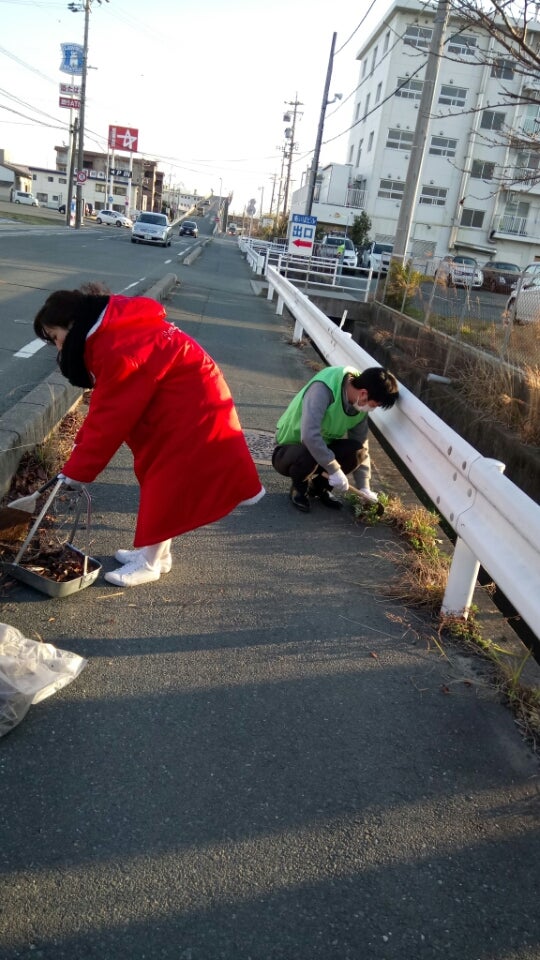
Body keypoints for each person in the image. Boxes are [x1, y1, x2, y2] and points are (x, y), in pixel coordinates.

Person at [33, 287, 265, 587]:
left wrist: (76, 472)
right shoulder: (118, 330)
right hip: (189, 402)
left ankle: (150, 563)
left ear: (73, 324)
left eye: (55, 337)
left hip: (193, 411)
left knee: (165, 482)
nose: (58, 347)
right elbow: (106, 406)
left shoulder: (116, 346)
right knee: (160, 478)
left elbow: (109, 418)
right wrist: (78, 456)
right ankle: (157, 553)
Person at [272, 365, 399, 513]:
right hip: (290, 449)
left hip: (322, 452)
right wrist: (334, 469)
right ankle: (299, 489)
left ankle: (319, 489)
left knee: (358, 451)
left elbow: (362, 445)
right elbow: (309, 436)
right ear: (363, 394)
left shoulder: (360, 405)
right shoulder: (323, 389)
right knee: (309, 451)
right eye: (373, 405)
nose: (372, 410)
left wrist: (364, 487)